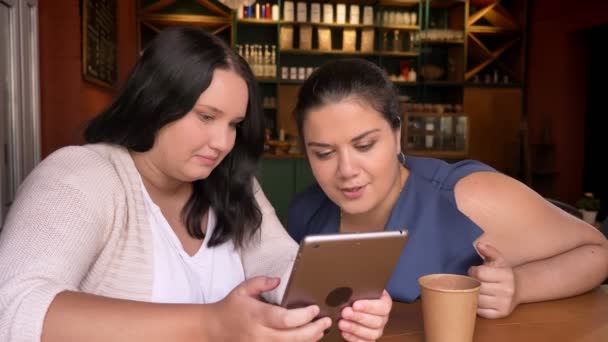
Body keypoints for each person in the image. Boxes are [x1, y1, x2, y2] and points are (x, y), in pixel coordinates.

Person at [0, 28, 391, 342]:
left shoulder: (232, 184)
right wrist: (210, 325)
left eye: (233, 124)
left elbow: (276, 259)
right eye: (206, 116)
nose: (222, 142)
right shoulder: (84, 175)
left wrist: (348, 299)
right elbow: (12, 308)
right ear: (155, 101)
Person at [287, 58, 608, 319]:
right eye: (324, 153)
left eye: (365, 145)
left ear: (397, 133)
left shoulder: (468, 196)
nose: (346, 170)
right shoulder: (305, 214)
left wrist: (522, 286)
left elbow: (598, 253)